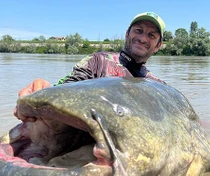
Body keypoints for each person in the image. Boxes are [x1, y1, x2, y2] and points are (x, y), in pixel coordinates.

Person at [15, 12, 166, 121]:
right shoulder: (97, 61)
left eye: (151, 35)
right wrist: (43, 92)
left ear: (158, 45)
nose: (142, 38)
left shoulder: (159, 87)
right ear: (127, 34)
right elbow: (68, 87)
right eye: (138, 31)